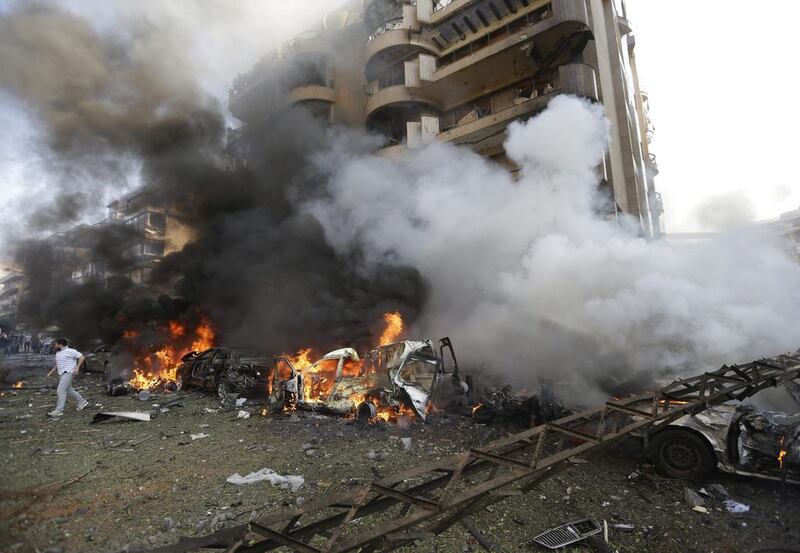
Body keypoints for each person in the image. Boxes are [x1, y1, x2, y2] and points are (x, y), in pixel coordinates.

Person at [46, 339, 89, 417]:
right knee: (69, 390)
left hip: (68, 372)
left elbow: (82, 357)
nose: (54, 347)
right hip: (61, 374)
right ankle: (82, 401)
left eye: (56, 345)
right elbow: (57, 364)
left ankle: (59, 410)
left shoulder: (71, 351)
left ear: (61, 344)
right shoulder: (58, 353)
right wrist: (51, 372)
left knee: (60, 390)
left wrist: (77, 368)